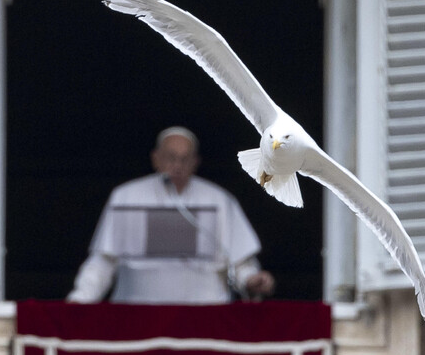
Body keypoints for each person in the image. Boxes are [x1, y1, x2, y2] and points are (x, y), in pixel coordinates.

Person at [67, 126, 275, 304]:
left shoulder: (219, 200)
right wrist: (80, 298)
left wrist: (251, 280)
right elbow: (103, 261)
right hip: (137, 310)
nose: (177, 165)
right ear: (156, 158)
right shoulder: (126, 196)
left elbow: (240, 263)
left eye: (185, 159)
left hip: (205, 312)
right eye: (171, 158)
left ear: (195, 162)